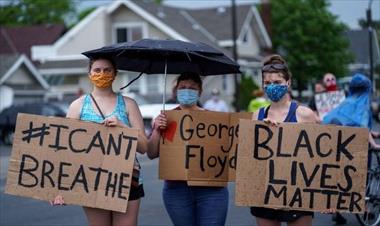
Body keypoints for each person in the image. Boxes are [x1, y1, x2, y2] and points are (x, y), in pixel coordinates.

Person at [51, 57, 148, 226]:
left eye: (107, 70)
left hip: (126, 177)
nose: (102, 74)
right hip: (91, 178)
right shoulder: (78, 106)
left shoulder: (128, 104)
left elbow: (143, 147)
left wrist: (122, 126)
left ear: (115, 74)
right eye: (97, 70)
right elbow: (65, 150)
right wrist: (59, 188)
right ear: (89, 74)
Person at [147, 73, 229, 226]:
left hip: (211, 189)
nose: (187, 91)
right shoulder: (167, 119)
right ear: (175, 91)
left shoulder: (214, 120)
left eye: (192, 88)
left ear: (200, 92)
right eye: (182, 87)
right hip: (177, 190)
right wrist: (157, 130)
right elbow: (151, 153)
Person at [250, 54, 318, 226]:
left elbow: (320, 157)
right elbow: (250, 155)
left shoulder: (304, 114)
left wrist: (326, 197)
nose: (272, 86)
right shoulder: (258, 115)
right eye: (268, 83)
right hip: (265, 189)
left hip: (298, 191)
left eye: (277, 82)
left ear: (288, 83)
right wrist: (262, 132)